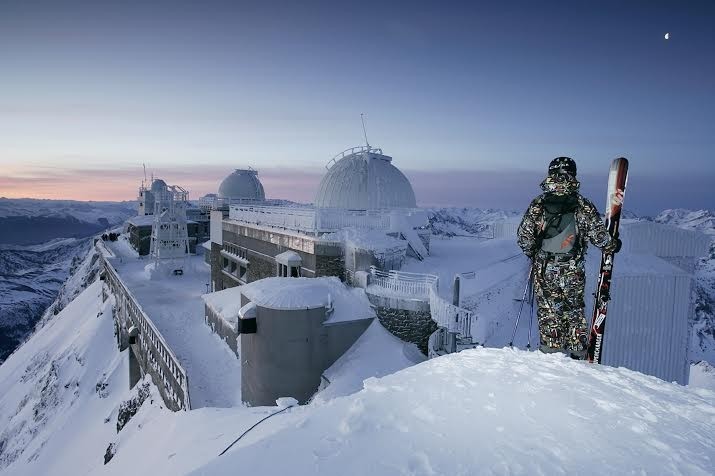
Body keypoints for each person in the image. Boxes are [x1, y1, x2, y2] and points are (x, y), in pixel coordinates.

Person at [517, 157, 621, 359]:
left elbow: (524, 236)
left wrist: (533, 253)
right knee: (573, 308)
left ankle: (551, 352)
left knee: (549, 310)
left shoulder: (538, 203)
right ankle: (576, 353)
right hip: (573, 268)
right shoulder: (582, 204)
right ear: (573, 174)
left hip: (544, 267)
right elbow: (599, 236)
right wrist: (613, 245)